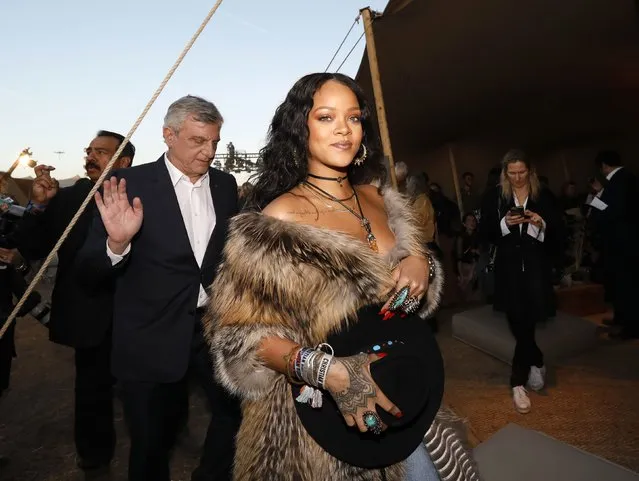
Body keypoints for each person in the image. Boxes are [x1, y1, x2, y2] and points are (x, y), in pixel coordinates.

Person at [203, 74, 478, 481]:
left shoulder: (381, 198)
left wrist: (422, 263)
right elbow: (239, 341)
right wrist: (329, 373)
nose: (343, 130)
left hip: (401, 387)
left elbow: (404, 299)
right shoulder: (279, 218)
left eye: (354, 117)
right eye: (326, 117)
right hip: (317, 428)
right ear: (301, 127)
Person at [77, 96, 241, 481]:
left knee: (233, 415)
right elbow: (86, 268)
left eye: (215, 141)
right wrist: (116, 244)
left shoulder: (225, 185)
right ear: (168, 135)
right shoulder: (128, 184)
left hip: (211, 330)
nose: (210, 151)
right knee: (151, 442)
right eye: (198, 140)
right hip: (150, 336)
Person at [16, 131, 134, 471]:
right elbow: (33, 247)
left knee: (145, 390)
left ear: (123, 161)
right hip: (89, 314)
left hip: (134, 313)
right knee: (92, 391)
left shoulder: (141, 197)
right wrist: (39, 205)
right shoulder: (66, 198)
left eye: (101, 151)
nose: (91, 156)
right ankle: (94, 457)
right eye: (90, 150)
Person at [480, 149, 561, 414]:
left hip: (536, 271)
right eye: (511, 173)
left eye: (521, 172)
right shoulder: (495, 196)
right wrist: (505, 223)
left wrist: (540, 224)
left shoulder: (542, 195)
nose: (516, 178)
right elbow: (485, 233)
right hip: (509, 272)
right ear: (505, 173)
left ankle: (520, 378)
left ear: (531, 171)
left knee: (526, 324)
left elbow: (560, 234)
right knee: (520, 325)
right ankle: (528, 371)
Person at [591, 151, 639, 339]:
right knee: (624, 284)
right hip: (627, 241)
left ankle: (630, 327)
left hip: (621, 242)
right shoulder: (627, 178)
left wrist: (597, 200)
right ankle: (621, 319)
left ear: (603, 165)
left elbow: (612, 211)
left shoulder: (619, 180)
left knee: (626, 285)